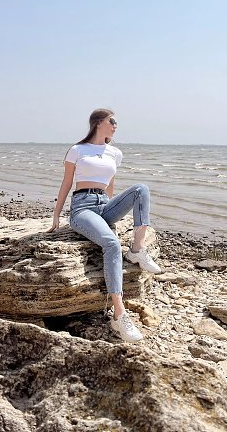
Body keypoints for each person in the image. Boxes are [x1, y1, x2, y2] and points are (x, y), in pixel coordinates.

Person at [48, 108, 161, 342]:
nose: (116, 125)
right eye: (112, 121)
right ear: (98, 123)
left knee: (141, 189)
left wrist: (108, 214)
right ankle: (119, 314)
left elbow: (110, 185)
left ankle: (137, 249)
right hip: (82, 208)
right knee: (111, 244)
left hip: (104, 205)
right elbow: (67, 183)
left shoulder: (115, 153)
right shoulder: (77, 150)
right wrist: (57, 215)